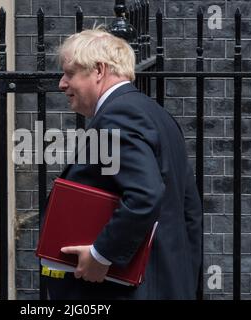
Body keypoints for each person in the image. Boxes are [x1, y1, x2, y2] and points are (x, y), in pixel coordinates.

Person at [45, 28, 203, 300]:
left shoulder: (119, 115)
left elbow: (145, 194)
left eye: (70, 73)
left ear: (98, 71)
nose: (62, 83)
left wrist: (101, 254)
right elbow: (189, 209)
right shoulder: (154, 112)